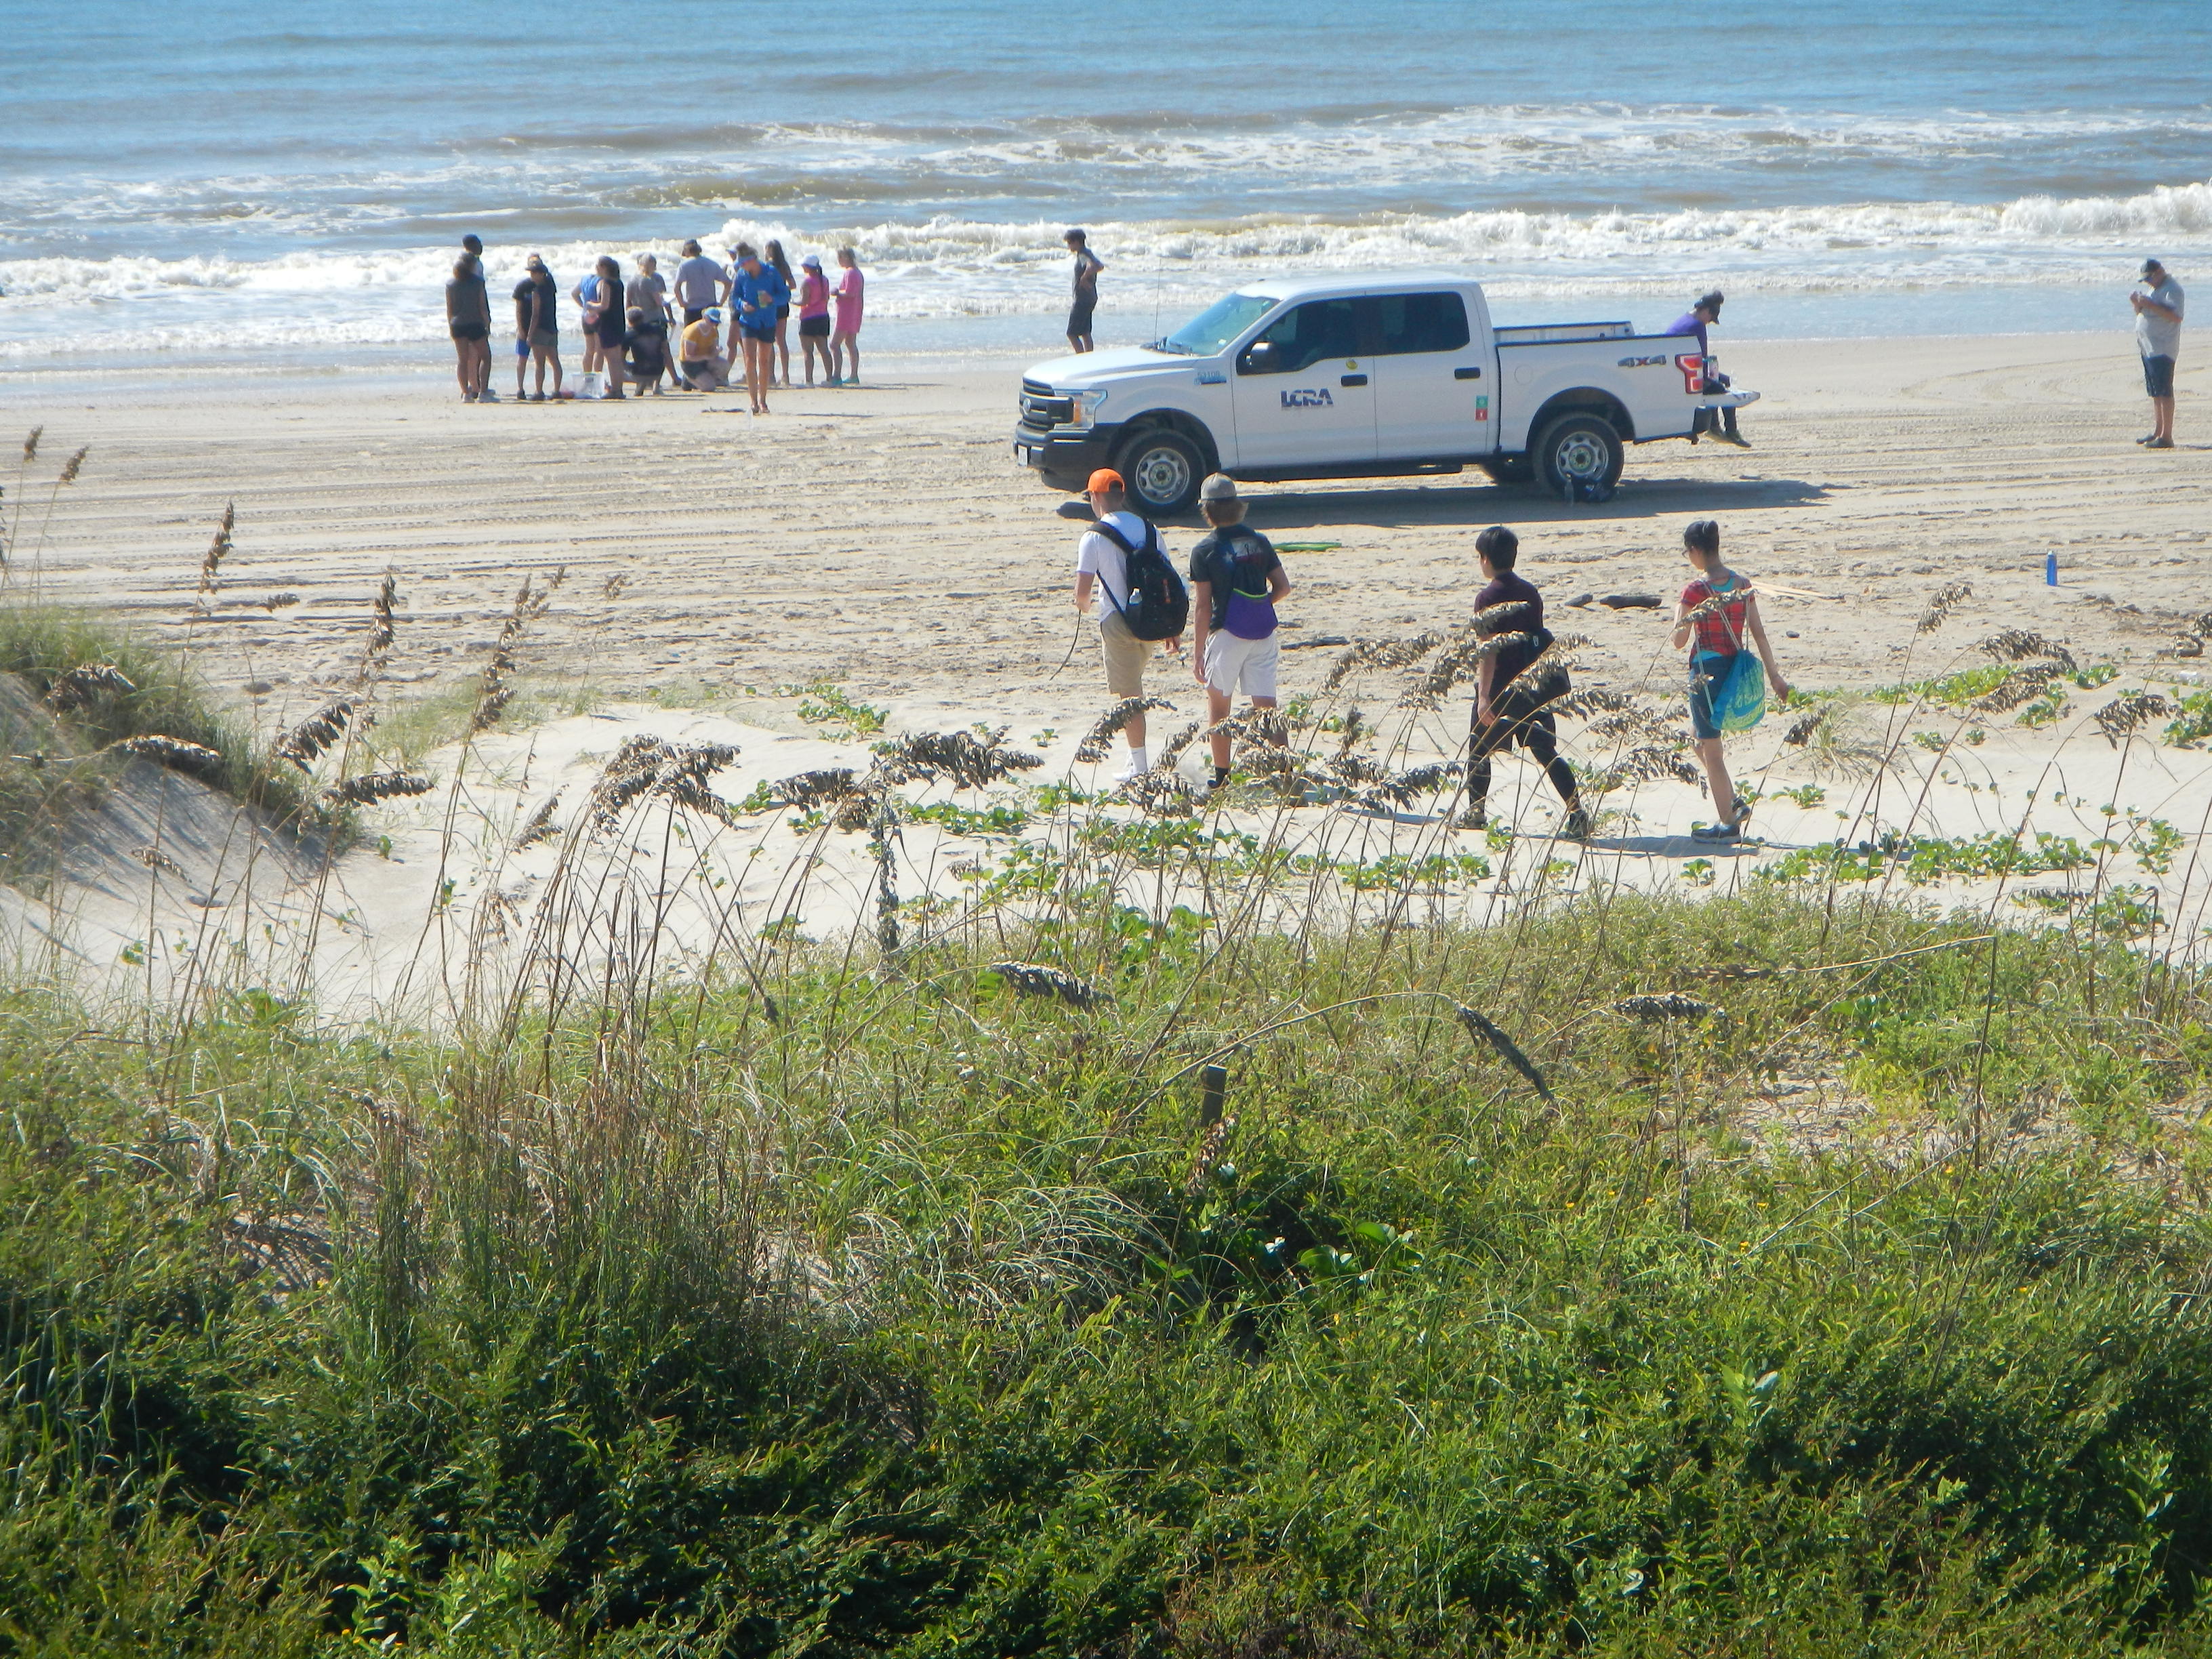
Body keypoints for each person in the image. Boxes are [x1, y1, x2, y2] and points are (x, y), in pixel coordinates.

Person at [1464, 525, 1590, 840]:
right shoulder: (1530, 592)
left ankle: (1476, 812)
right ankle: (1577, 812)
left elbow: (1488, 651)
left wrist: (1483, 696)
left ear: (1486, 559)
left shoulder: (1487, 597)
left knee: (1479, 749)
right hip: (1535, 687)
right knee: (1545, 750)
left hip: (1502, 689)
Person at [1671, 518, 1790, 842]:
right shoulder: (1741, 583)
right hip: (1734, 669)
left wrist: (1678, 611)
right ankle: (1732, 802)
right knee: (1697, 737)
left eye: (1687, 552)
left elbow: (1679, 640)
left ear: (1695, 550)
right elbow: (1758, 631)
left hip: (1706, 673)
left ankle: (1728, 824)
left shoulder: (1695, 590)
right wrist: (1775, 676)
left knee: (1711, 750)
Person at [1071, 466, 1181, 781]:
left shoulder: (1093, 536)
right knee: (1135, 685)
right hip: (1154, 621)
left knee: (1131, 696)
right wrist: (1173, 629)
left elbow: (1083, 594)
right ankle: (1138, 760)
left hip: (1119, 623)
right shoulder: (1150, 529)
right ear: (1122, 495)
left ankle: (1140, 765)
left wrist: (1084, 606)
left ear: (1095, 497)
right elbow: (1168, 582)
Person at [1185, 474, 1290, 790]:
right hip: (1263, 632)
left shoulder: (1204, 550)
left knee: (1220, 708)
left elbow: (1203, 607)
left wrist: (1198, 652)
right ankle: (1285, 776)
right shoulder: (1259, 541)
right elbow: (1283, 587)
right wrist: (1258, 606)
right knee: (1267, 707)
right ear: (1237, 506)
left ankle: (1222, 778)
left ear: (1207, 511)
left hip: (1227, 633)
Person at [1664, 291, 1746, 447]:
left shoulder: (1683, 320)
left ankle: (1717, 427)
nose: (1709, 322)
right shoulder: (1698, 326)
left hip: (1673, 372)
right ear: (1706, 311)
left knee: (1718, 382)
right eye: (1711, 318)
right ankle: (1725, 430)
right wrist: (1718, 380)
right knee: (1721, 388)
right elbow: (1704, 362)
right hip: (1685, 377)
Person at [728, 248, 788, 414]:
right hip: (748, 321)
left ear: (752, 260)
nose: (741, 267)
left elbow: (785, 294)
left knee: (764, 361)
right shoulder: (741, 275)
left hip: (768, 320)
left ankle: (763, 401)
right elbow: (734, 297)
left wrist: (772, 299)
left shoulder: (770, 272)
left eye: (743, 263)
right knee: (750, 360)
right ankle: (753, 401)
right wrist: (742, 305)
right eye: (740, 264)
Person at [2133, 258, 2184, 449]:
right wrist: (2137, 305)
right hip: (2149, 346)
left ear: (2160, 272)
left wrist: (2150, 305)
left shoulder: (2173, 289)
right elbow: (2144, 314)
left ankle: (2167, 436)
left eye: (2149, 278)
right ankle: (2158, 431)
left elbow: (2176, 316)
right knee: (2155, 391)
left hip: (2163, 347)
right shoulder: (2155, 288)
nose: (2148, 282)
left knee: (2164, 391)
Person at [572, 256, 627, 398]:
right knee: (616, 358)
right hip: (619, 321)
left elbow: (604, 305)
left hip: (608, 323)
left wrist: (589, 305)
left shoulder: (605, 283)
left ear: (603, 268)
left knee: (611, 358)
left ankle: (615, 390)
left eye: (598, 266)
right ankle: (618, 389)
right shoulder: (618, 282)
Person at [511, 253, 562, 401]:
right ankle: (556, 390)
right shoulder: (550, 285)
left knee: (540, 363)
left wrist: (530, 335)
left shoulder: (537, 291)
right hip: (552, 327)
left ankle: (539, 392)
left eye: (534, 271)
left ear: (541, 274)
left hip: (540, 330)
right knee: (554, 360)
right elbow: (520, 308)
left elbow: (536, 315)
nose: (532, 275)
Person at [445, 256, 491, 402]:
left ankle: (466, 393)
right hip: (475, 323)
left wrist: (450, 325)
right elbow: (482, 306)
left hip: (458, 324)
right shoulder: (478, 283)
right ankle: (483, 392)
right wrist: (487, 324)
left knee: (462, 360)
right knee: (485, 357)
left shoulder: (451, 285)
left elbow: (450, 309)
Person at [460, 234, 494, 400]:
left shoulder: (460, 265)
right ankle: (477, 388)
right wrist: (485, 314)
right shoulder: (476, 264)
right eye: (479, 244)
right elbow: (481, 291)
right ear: (471, 246)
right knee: (477, 353)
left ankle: (471, 386)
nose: (482, 247)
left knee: (467, 354)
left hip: (462, 313)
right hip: (475, 312)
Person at [796, 253, 834, 386]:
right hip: (823, 316)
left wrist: (793, 302)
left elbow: (804, 301)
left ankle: (809, 381)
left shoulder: (807, 282)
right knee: (824, 349)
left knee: (808, 351)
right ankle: (830, 378)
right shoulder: (825, 280)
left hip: (808, 318)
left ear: (808, 267)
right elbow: (826, 298)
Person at [619, 306, 674, 396]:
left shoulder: (629, 335)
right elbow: (666, 352)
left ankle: (641, 383)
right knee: (660, 356)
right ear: (643, 317)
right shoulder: (658, 329)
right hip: (658, 372)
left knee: (620, 362)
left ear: (629, 321)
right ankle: (656, 386)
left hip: (639, 373)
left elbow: (621, 358)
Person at [764, 241, 797, 388]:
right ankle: (785, 375)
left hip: (770, 305)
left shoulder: (767, 266)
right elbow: (793, 285)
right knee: (781, 341)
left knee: (770, 340)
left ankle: (771, 376)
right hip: (783, 304)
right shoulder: (784, 266)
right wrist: (783, 290)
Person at [830, 247, 864, 386]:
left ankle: (837, 376)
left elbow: (850, 293)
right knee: (850, 343)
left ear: (846, 258)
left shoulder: (850, 273)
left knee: (834, 344)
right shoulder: (857, 272)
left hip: (846, 313)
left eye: (840, 257)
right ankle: (853, 375)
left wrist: (837, 293)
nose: (839, 260)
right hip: (855, 312)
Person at [1065, 228, 1103, 353]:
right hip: (1090, 298)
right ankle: (1089, 359)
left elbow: (1097, 266)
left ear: (1077, 242)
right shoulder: (1086, 253)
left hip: (1082, 299)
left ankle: (1081, 359)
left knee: (1072, 334)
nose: (1068, 245)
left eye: (1070, 242)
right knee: (1085, 333)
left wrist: (1085, 277)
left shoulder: (1083, 255)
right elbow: (1097, 265)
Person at [673, 239, 728, 324]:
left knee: (691, 336)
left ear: (687, 251)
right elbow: (728, 283)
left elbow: (677, 287)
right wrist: (721, 302)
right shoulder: (712, 263)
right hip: (710, 307)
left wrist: (682, 303)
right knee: (710, 336)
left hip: (692, 308)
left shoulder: (684, 265)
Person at [680, 308, 731, 390]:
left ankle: (705, 378)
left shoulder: (713, 331)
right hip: (690, 364)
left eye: (716, 323)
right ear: (704, 318)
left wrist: (716, 351)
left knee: (725, 365)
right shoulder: (692, 331)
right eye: (711, 321)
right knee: (709, 388)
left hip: (705, 361)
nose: (713, 324)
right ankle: (688, 379)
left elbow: (713, 351)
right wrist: (705, 357)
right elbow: (688, 357)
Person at [628, 253, 673, 332]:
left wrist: (630, 320)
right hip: (654, 320)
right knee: (661, 343)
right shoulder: (649, 281)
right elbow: (659, 302)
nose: (655, 269)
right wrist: (670, 317)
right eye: (654, 266)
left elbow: (628, 303)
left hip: (638, 321)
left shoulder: (631, 280)